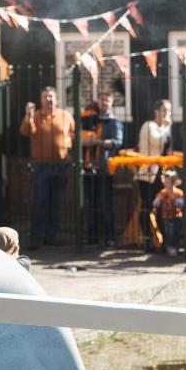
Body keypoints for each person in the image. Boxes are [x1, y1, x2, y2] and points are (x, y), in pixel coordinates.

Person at [20, 86, 75, 249]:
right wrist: (28, 116)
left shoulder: (66, 116)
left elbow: (73, 135)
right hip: (41, 166)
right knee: (40, 201)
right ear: (41, 99)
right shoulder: (36, 116)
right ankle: (36, 236)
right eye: (45, 97)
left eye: (51, 96)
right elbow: (25, 132)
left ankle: (52, 235)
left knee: (56, 202)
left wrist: (70, 152)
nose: (48, 99)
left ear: (56, 99)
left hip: (60, 165)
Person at [83, 91, 124, 247]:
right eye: (102, 100)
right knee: (90, 203)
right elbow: (82, 138)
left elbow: (117, 142)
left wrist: (98, 142)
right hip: (88, 166)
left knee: (106, 203)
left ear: (111, 102)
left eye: (107, 100)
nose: (104, 102)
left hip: (105, 168)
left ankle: (110, 237)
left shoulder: (115, 122)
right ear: (98, 102)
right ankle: (92, 237)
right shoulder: (89, 119)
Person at [136, 99, 173, 251]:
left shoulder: (165, 128)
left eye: (169, 110)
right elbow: (157, 142)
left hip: (160, 173)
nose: (166, 114)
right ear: (156, 111)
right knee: (147, 207)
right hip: (147, 174)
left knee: (160, 208)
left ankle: (161, 240)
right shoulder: (148, 126)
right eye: (164, 110)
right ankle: (147, 239)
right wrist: (167, 127)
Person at [153, 170, 185, 257]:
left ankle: (175, 247)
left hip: (177, 215)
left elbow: (181, 202)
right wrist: (157, 202)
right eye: (166, 181)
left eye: (169, 181)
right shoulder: (163, 192)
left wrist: (178, 202)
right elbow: (157, 201)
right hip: (166, 215)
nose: (168, 183)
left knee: (177, 232)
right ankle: (170, 248)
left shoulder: (178, 192)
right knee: (169, 232)